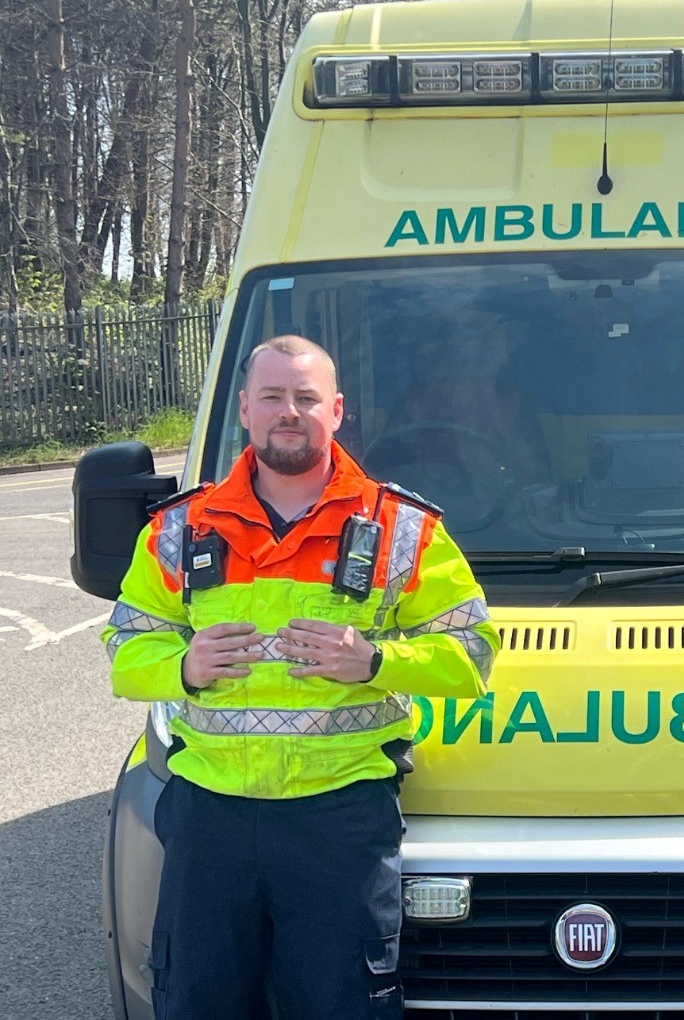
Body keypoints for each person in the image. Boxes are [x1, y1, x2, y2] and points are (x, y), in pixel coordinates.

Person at [102, 335, 499, 1020]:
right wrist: (183, 665)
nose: (291, 411)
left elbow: (474, 650)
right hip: (210, 813)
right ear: (247, 412)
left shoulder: (401, 528)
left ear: (337, 410)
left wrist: (376, 663)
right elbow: (123, 646)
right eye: (274, 397)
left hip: (338, 818)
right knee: (198, 1000)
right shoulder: (180, 529)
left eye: (307, 398)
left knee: (343, 1005)